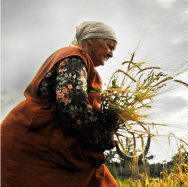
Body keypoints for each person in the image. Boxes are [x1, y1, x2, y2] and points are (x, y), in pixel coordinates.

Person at [1, 21, 119, 187]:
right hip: (34, 142)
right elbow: (72, 104)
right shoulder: (74, 56)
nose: (112, 54)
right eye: (110, 46)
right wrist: (102, 137)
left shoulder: (83, 64)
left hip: (60, 145)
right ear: (91, 39)